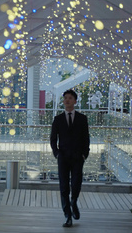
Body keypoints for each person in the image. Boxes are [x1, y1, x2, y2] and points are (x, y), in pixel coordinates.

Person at [50, 89, 90, 227]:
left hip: (78, 157)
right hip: (63, 157)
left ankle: (74, 202)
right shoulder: (58, 119)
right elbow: (53, 139)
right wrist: (57, 153)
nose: (67, 100)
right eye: (65, 98)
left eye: (70, 98)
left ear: (75, 101)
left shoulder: (82, 118)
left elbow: (86, 139)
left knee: (76, 183)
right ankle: (67, 216)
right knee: (64, 187)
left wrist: (85, 154)